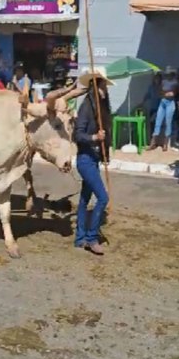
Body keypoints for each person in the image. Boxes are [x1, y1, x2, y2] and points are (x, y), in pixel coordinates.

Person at [74, 69, 114, 255]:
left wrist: (105, 152)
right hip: (84, 159)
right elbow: (78, 134)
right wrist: (94, 137)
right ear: (97, 86)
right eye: (104, 85)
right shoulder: (87, 106)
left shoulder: (102, 107)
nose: (107, 90)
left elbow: (106, 132)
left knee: (84, 200)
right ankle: (91, 238)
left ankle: (80, 238)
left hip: (95, 158)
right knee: (103, 198)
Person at [148, 68, 178, 151]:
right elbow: (160, 92)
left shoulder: (175, 82)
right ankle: (153, 143)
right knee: (158, 121)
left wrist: (166, 94)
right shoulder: (163, 82)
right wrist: (166, 94)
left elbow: (174, 93)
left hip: (170, 103)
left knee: (168, 123)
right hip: (163, 102)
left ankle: (165, 144)